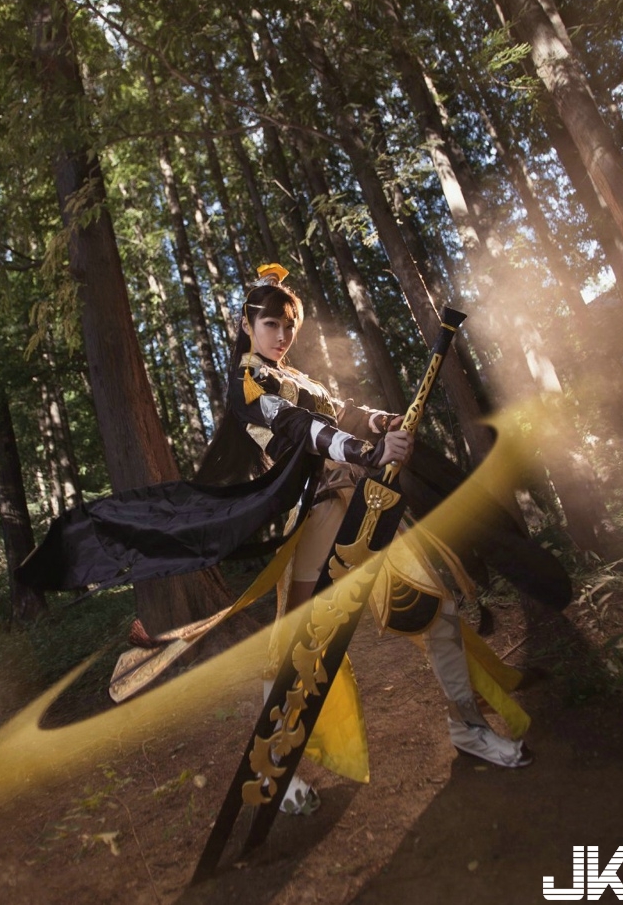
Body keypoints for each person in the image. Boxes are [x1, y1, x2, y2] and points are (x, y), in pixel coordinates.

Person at [196, 264, 532, 813]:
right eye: (271, 324)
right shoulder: (247, 381)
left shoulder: (298, 376)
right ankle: (275, 768)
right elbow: (300, 428)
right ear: (246, 324)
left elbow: (342, 412)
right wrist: (366, 451)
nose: (282, 335)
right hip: (316, 520)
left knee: (434, 609)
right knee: (296, 650)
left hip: (364, 505)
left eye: (289, 327)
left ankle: (469, 728)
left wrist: (381, 423)